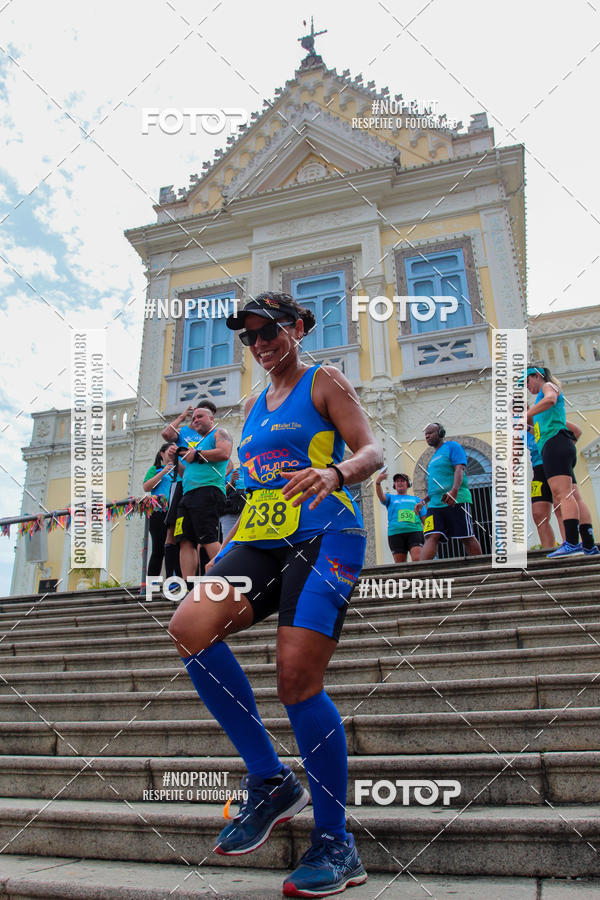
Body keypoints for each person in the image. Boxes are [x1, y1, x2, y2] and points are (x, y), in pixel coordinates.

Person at [168, 291, 383, 898]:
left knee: (296, 682)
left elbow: (372, 450)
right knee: (189, 626)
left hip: (326, 533)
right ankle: (270, 779)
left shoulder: (326, 380)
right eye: (249, 336)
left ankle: (336, 843)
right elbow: (251, 477)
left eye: (269, 331)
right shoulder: (252, 402)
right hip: (260, 537)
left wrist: (336, 472)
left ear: (298, 327)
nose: (260, 343)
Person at [526, 364, 599, 558]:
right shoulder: (540, 414)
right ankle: (589, 544)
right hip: (559, 446)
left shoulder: (547, 387)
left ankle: (572, 542)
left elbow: (551, 399)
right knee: (574, 495)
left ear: (537, 376)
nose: (527, 387)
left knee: (563, 495)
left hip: (555, 447)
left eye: (527, 381)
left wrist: (527, 414)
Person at [163, 401, 233, 585]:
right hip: (187, 494)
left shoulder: (219, 433)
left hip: (208, 491)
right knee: (185, 540)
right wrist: (175, 459)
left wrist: (197, 454)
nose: (195, 420)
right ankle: (188, 585)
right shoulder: (196, 446)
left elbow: (225, 453)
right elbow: (184, 474)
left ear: (211, 418)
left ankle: (226, 579)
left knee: (208, 537)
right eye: (193, 418)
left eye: (200, 416)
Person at [420, 423, 482, 560]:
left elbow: (459, 468)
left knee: (466, 536)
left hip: (456, 499)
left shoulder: (452, 447)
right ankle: (421, 574)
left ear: (441, 433)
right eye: (425, 434)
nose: (427, 435)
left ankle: (482, 567)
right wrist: (423, 501)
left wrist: (454, 491)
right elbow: (436, 487)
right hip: (435, 505)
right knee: (431, 535)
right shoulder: (433, 458)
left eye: (430, 432)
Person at [375, 470, 426, 562]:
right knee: (400, 565)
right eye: (397, 481)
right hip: (395, 534)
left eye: (402, 481)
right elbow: (381, 496)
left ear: (408, 484)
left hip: (414, 532)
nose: (399, 483)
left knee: (417, 559)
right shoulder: (390, 498)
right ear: (394, 485)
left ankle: (419, 576)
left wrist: (430, 534)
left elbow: (424, 518)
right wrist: (378, 482)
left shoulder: (416, 499)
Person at [142, 442, 177, 576]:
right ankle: (151, 585)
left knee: (174, 547)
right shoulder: (155, 469)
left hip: (175, 511)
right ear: (162, 454)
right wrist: (163, 472)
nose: (172, 456)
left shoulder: (179, 469)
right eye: (170, 453)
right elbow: (146, 487)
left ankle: (173, 580)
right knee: (158, 549)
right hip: (159, 512)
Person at [221, 466, 246, 538]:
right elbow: (219, 493)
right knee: (229, 539)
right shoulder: (229, 472)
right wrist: (231, 482)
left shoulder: (253, 472)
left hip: (248, 510)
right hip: (231, 511)